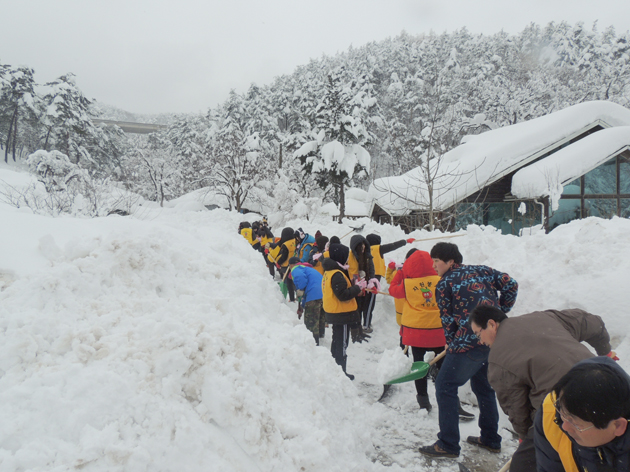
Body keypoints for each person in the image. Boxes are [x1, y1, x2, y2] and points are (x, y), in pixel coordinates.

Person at [470, 305, 614, 472]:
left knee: (523, 465)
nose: (479, 341)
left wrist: (527, 438)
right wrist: (605, 353)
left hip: (567, 407)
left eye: (478, 334)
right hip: (607, 383)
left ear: (492, 324)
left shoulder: (498, 360)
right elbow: (590, 322)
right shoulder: (543, 317)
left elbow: (516, 407)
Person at [419, 242, 518, 459]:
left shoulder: (444, 284)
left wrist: (451, 340)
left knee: (445, 386)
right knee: (484, 388)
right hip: (493, 340)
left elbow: (446, 318)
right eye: (432, 260)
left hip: (466, 344)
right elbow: (511, 283)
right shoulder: (482, 270)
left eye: (437, 261)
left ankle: (448, 444)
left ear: (450, 261)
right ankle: (491, 439)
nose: (434, 265)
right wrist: (500, 311)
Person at [534, 356, 630, 472]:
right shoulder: (552, 413)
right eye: (564, 414)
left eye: (576, 424)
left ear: (618, 425)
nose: (565, 427)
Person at [388, 249, 446, 411]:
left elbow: (393, 289)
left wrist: (402, 273)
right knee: (443, 367)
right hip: (438, 331)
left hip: (416, 332)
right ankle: (449, 399)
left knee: (418, 365)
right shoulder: (441, 280)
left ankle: (423, 399)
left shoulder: (408, 284)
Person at [322, 243, 370, 380]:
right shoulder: (337, 274)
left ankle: (334, 369)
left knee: (336, 341)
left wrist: (355, 286)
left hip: (335, 312)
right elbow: (342, 295)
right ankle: (341, 372)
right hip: (341, 314)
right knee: (342, 343)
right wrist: (358, 288)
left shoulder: (330, 271)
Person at [363, 233, 412, 332]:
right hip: (374, 278)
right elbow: (393, 246)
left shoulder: (364, 250)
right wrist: (405, 241)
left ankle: (361, 324)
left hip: (364, 277)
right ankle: (366, 325)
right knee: (370, 302)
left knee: (364, 302)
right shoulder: (378, 248)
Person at [289, 257, 325, 344]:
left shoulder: (296, 268)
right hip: (323, 293)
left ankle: (313, 342)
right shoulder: (308, 269)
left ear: (291, 265)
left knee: (311, 320)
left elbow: (300, 278)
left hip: (314, 293)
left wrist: (300, 288)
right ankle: (320, 334)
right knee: (319, 315)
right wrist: (303, 304)